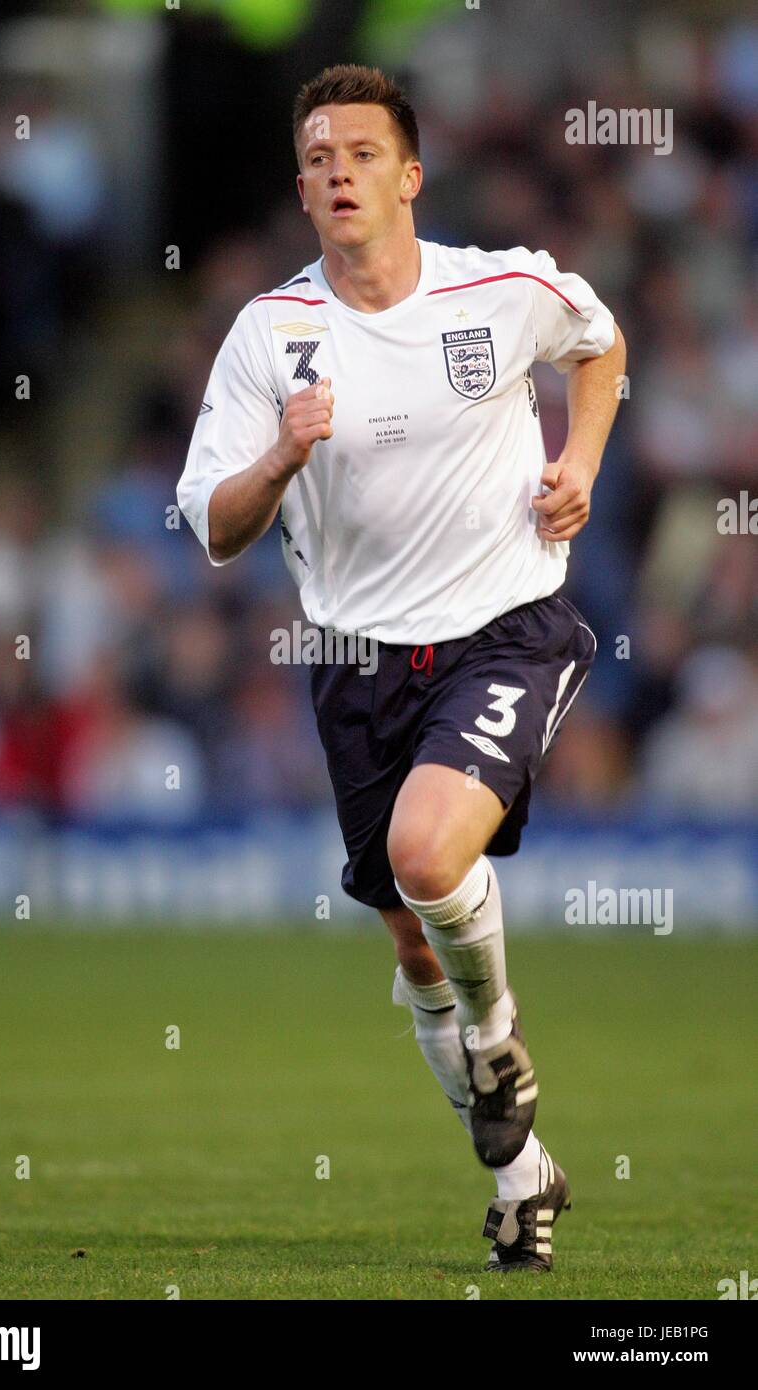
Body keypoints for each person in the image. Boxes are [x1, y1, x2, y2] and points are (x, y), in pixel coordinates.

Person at [177, 63, 626, 1273]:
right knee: (412, 944)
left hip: (505, 624)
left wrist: (579, 457)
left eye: (360, 153)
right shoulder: (270, 337)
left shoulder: (500, 288)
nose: (337, 172)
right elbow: (215, 529)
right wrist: (279, 458)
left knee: (431, 856)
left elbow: (599, 342)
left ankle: (499, 1036)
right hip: (356, 661)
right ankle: (522, 1174)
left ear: (408, 176)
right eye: (318, 157)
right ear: (302, 185)